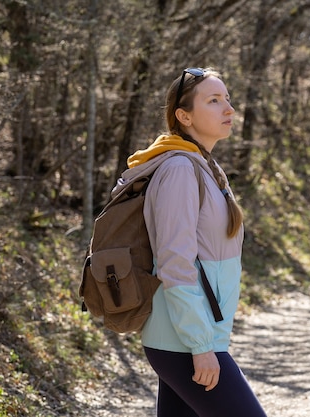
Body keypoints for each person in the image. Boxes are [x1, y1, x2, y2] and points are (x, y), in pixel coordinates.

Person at [125, 67, 267, 417]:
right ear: (184, 116)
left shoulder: (204, 166)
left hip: (190, 336)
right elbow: (175, 264)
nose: (229, 109)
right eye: (214, 101)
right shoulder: (179, 171)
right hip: (184, 341)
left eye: (227, 99)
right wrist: (201, 347)